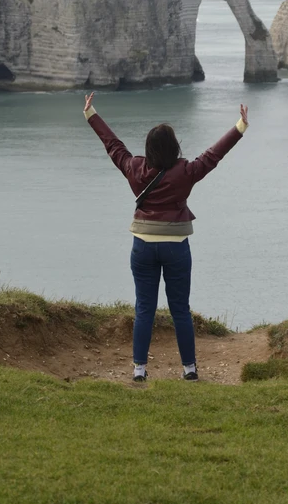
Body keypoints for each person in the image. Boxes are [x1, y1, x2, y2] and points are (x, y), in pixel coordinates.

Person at [83, 92, 249, 382]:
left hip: (143, 247)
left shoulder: (135, 169)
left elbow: (114, 146)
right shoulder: (185, 172)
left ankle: (139, 370)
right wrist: (239, 127)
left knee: (144, 308)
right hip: (176, 248)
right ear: (174, 148)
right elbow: (213, 155)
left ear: (148, 149)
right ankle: (189, 369)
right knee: (180, 309)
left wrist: (91, 114)